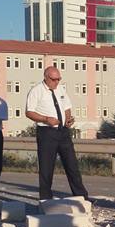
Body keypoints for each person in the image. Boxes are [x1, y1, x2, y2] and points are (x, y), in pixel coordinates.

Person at [25, 66, 89, 201]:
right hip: (47, 132)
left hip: (63, 131)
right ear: (46, 77)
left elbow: (66, 106)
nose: (56, 82)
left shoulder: (60, 89)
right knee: (46, 168)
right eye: (54, 79)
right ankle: (46, 199)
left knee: (72, 165)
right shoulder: (36, 91)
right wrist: (46, 119)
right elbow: (29, 112)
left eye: (59, 79)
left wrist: (68, 119)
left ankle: (81, 197)